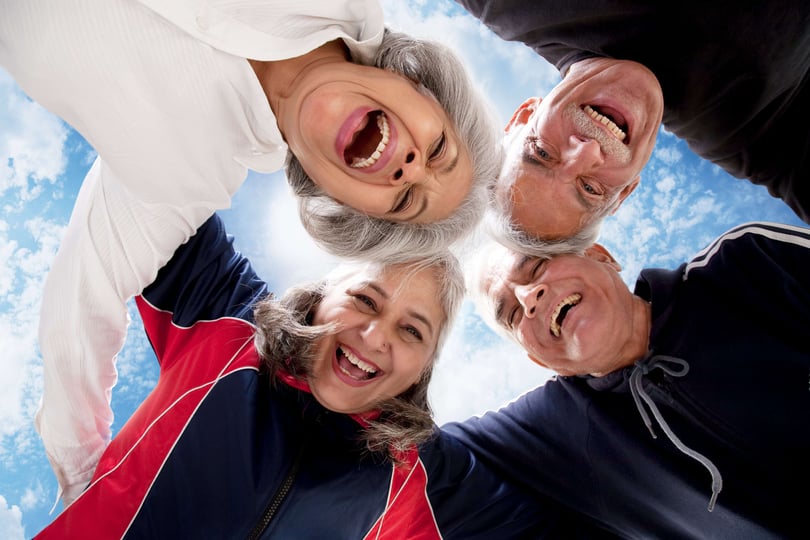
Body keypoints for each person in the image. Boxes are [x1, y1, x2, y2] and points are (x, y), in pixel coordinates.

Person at [0, 0, 501, 505]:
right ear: (419, 86)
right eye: (439, 150)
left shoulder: (185, 178)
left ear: (347, 204)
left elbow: (78, 315)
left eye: (404, 201)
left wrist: (84, 489)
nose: (411, 169)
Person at [33, 212, 602, 539]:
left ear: (421, 369)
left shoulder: (419, 477)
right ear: (322, 293)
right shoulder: (233, 326)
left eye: (412, 332)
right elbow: (163, 180)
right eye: (365, 299)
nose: (376, 337)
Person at [444, 221, 810, 538]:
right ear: (537, 359)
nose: (529, 297)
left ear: (602, 256)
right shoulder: (548, 434)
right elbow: (417, 465)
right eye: (511, 314)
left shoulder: (745, 264)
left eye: (538, 266)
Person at [455, 0, 810, 251]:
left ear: (523, 115)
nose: (588, 150)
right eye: (590, 188)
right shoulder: (746, 131)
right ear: (625, 191)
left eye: (543, 152)